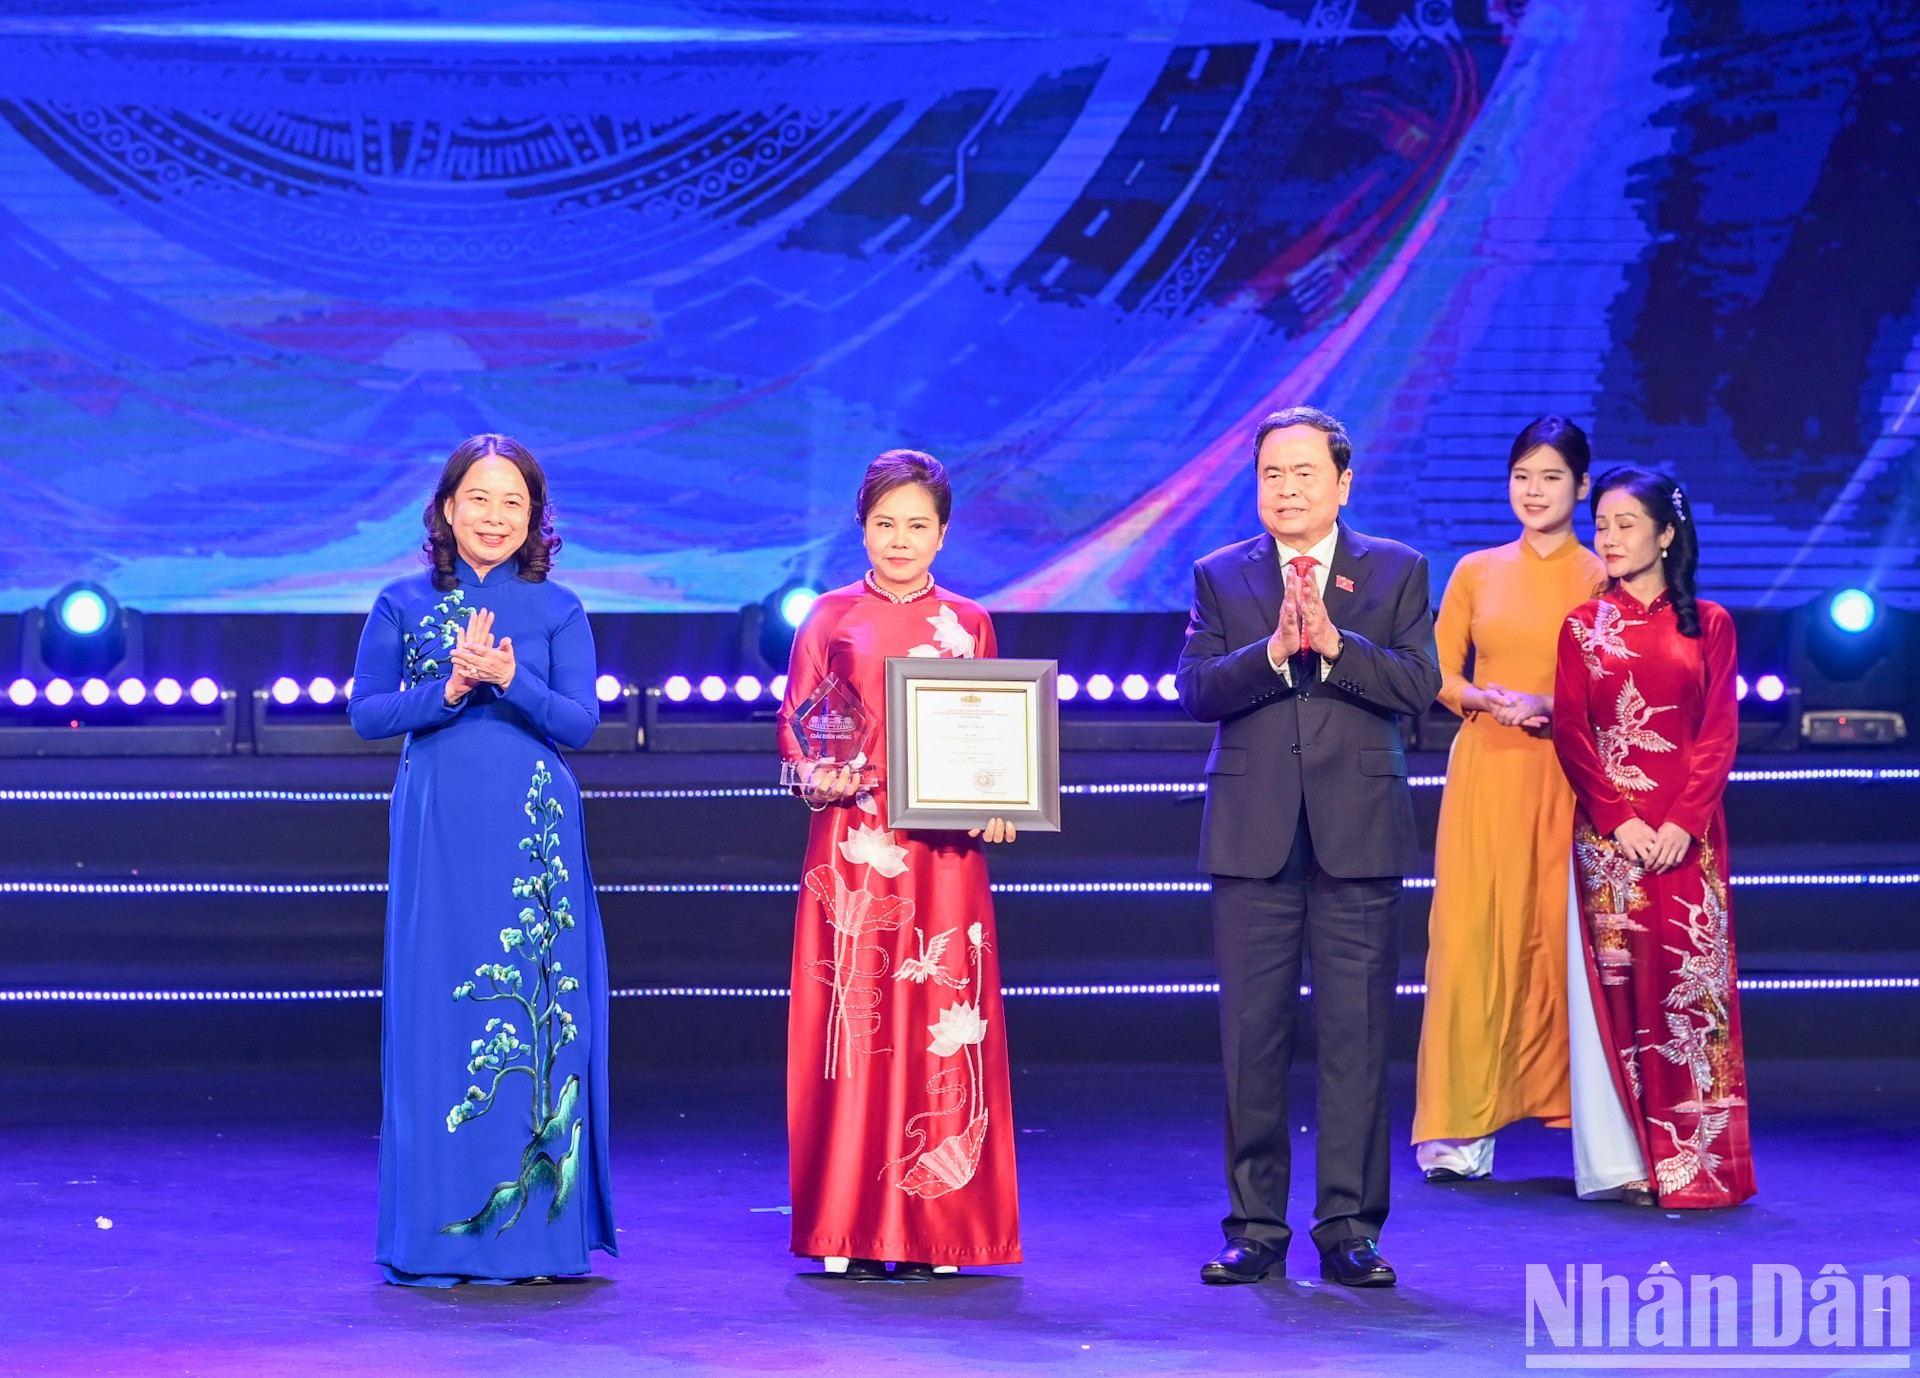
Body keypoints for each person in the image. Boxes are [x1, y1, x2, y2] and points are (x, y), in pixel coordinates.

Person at [1177, 407, 1441, 1287]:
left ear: (1343, 484)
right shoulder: (1222, 576)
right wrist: (1271, 649)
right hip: (1252, 834)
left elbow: (1419, 685)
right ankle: (1255, 1227)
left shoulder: (1395, 569)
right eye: (1270, 475)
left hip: (1358, 833)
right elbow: (1198, 690)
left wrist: (1335, 645)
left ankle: (1349, 1229)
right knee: (1250, 1039)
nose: (1286, 490)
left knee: (1358, 1036)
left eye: (1302, 474)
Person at [349, 434, 616, 1285]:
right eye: (479, 498)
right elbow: (366, 714)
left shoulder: (559, 608)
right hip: (438, 831)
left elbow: (578, 725)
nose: (495, 516)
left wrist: (511, 680)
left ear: (534, 516)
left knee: (536, 1012)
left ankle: (535, 1238)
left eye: (514, 502)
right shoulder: (398, 601)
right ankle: (434, 1236)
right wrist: (451, 692)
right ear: (447, 507)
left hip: (532, 834)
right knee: (438, 1012)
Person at [777, 449, 1021, 1281]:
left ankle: (936, 1228)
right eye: (886, 524)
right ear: (862, 528)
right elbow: (797, 729)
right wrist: (817, 771)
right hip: (855, 849)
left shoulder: (971, 622)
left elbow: (996, 730)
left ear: (944, 534)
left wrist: (1002, 799)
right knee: (858, 1025)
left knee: (940, 1027)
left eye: (918, 525)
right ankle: (848, 1221)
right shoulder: (830, 618)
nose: (901, 539)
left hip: (945, 852)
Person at [1553, 467, 1755, 1209]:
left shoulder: (1711, 622)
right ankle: (1626, 1161)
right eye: (1601, 523)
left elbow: (1718, 734)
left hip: (1688, 836)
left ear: (1666, 534)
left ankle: (1702, 1167)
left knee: (1689, 1002)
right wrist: (1622, 819)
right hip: (1611, 841)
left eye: (1625, 523)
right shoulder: (1581, 626)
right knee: (1620, 997)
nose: (1607, 538)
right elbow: (1573, 734)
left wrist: (1680, 823)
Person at [1411, 418, 1607, 1182]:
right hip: (1487, 769)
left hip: (1570, 772)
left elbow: (1617, 684)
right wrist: (1485, 701)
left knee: (1565, 940)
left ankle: (1593, 1132)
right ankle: (1461, 1132)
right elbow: (1434, 670)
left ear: (1582, 488)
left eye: (1552, 477)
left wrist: (1554, 707)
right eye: (1523, 475)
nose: (1535, 491)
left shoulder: (1601, 575)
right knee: (1471, 940)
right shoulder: (1477, 569)